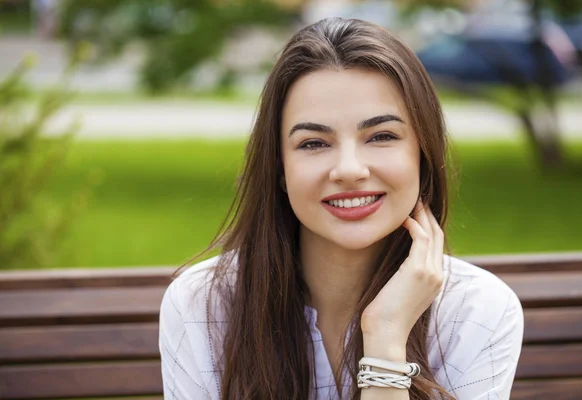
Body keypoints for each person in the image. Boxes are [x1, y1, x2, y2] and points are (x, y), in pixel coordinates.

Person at [159, 17, 524, 400]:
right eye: (314, 143)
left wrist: (386, 335)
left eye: (381, 136)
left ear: (423, 155)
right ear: (280, 169)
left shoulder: (476, 313)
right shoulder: (202, 305)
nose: (350, 169)